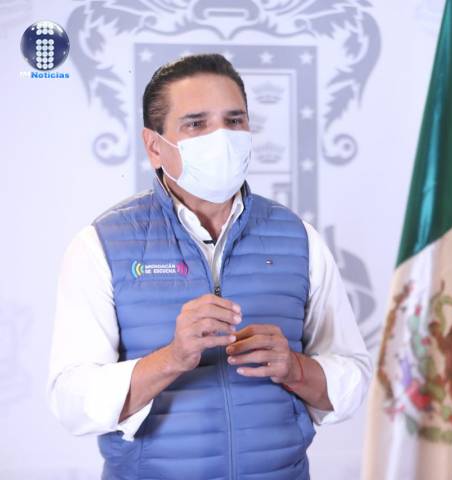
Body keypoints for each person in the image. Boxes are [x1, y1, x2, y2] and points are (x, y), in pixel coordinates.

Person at [47, 53, 371, 479]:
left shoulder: (299, 238)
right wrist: (172, 358)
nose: (222, 137)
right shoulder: (102, 245)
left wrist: (295, 368)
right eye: (196, 124)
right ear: (154, 147)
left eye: (234, 121)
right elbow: (70, 401)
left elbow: (353, 377)